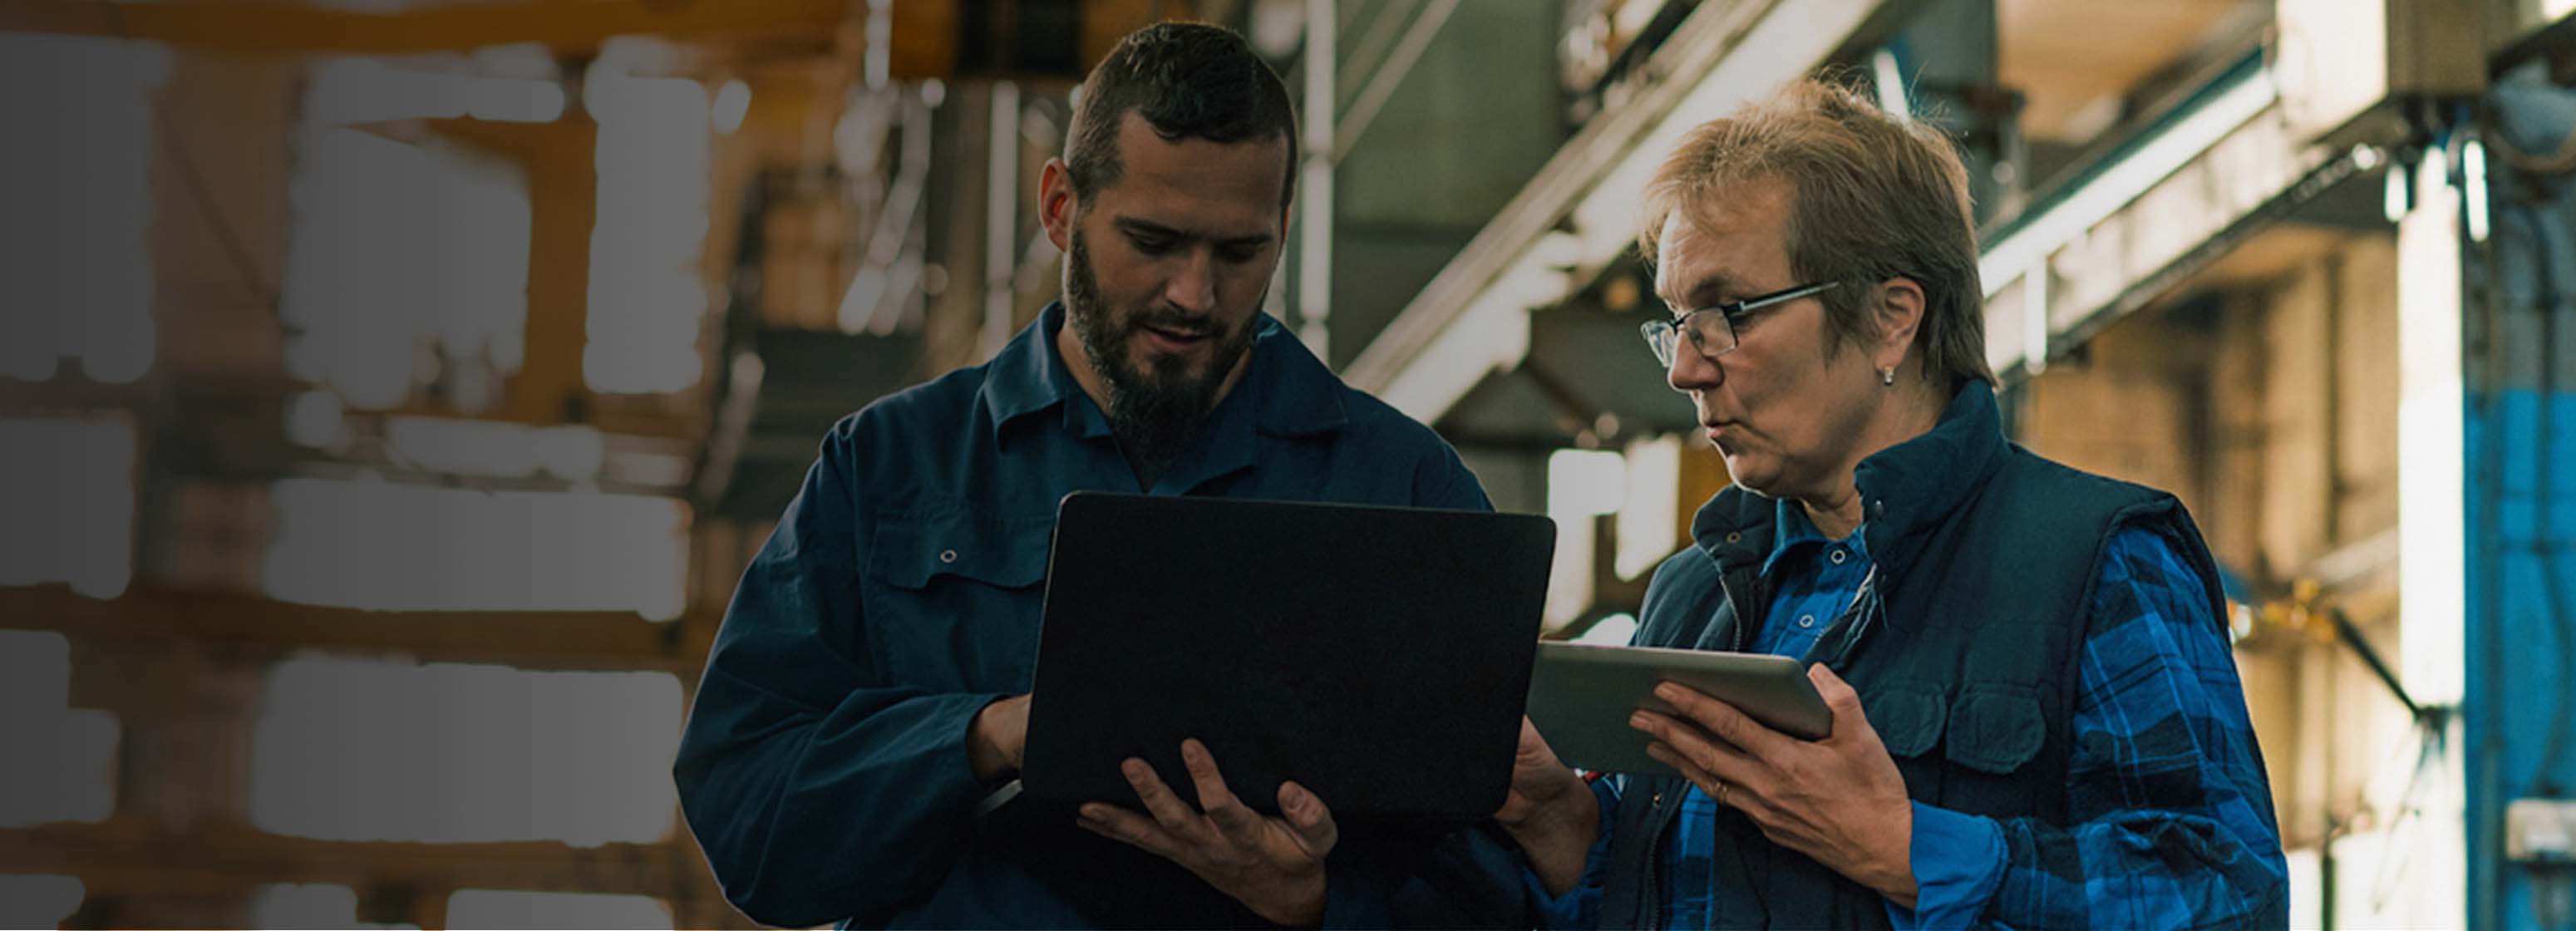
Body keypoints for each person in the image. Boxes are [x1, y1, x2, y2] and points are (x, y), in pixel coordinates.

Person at [672, 22, 1529, 929]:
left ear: (1281, 230)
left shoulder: (1402, 490)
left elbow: (1498, 874)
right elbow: (748, 818)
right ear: (1058, 207)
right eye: (1153, 241)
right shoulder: (888, 468)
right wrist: (984, 735)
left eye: (1238, 254)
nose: (1193, 295)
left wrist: (1312, 901)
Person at [1490, 81, 2290, 929]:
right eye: (1676, 323)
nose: (1684, 368)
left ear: (1889, 319)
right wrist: (1558, 821)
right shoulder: (1691, 597)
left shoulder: (2094, 561)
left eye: (1726, 314)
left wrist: (1906, 845)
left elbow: (2228, 898)